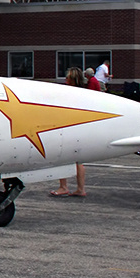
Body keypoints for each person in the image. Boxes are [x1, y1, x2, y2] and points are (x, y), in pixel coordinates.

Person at [50, 67, 87, 197]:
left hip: (68, 128)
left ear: (72, 79)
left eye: (67, 78)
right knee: (79, 161)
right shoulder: (84, 93)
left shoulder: (68, 93)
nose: (65, 80)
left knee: (61, 158)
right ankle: (80, 188)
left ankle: (63, 186)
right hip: (80, 128)